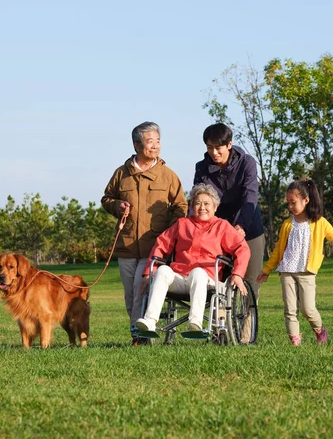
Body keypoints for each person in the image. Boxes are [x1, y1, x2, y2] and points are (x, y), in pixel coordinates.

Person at [101, 121, 188, 346]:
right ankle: (136, 331)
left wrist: (170, 233)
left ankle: (141, 336)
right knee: (130, 295)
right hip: (127, 245)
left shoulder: (168, 175)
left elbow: (180, 206)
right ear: (137, 145)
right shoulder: (122, 173)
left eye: (158, 141)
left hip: (155, 246)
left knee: (142, 290)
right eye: (150, 142)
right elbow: (106, 199)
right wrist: (117, 205)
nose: (155, 146)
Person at [257, 179, 333, 346]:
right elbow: (278, 250)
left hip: (307, 272)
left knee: (307, 309)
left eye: (293, 202)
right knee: (290, 310)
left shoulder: (319, 223)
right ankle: (295, 341)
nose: (290, 206)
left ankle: (320, 329)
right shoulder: (287, 225)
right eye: (288, 203)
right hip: (287, 271)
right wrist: (267, 269)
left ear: (306, 200)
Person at [136, 183, 250, 334]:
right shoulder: (182, 224)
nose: (202, 207)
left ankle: (195, 323)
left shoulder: (222, 226)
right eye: (197, 203)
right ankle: (150, 322)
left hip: (207, 279)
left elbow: (242, 248)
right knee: (163, 270)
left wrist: (237, 274)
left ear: (215, 207)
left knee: (198, 272)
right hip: (180, 278)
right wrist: (147, 274)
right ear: (191, 206)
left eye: (207, 203)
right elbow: (160, 245)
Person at [193, 123, 265, 341]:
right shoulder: (202, 167)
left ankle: (245, 334)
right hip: (216, 233)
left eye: (218, 148)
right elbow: (199, 199)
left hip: (249, 229)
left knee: (250, 281)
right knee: (219, 282)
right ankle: (219, 331)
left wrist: (241, 226)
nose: (214, 153)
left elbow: (250, 198)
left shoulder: (247, 163)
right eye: (209, 148)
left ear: (229, 145)